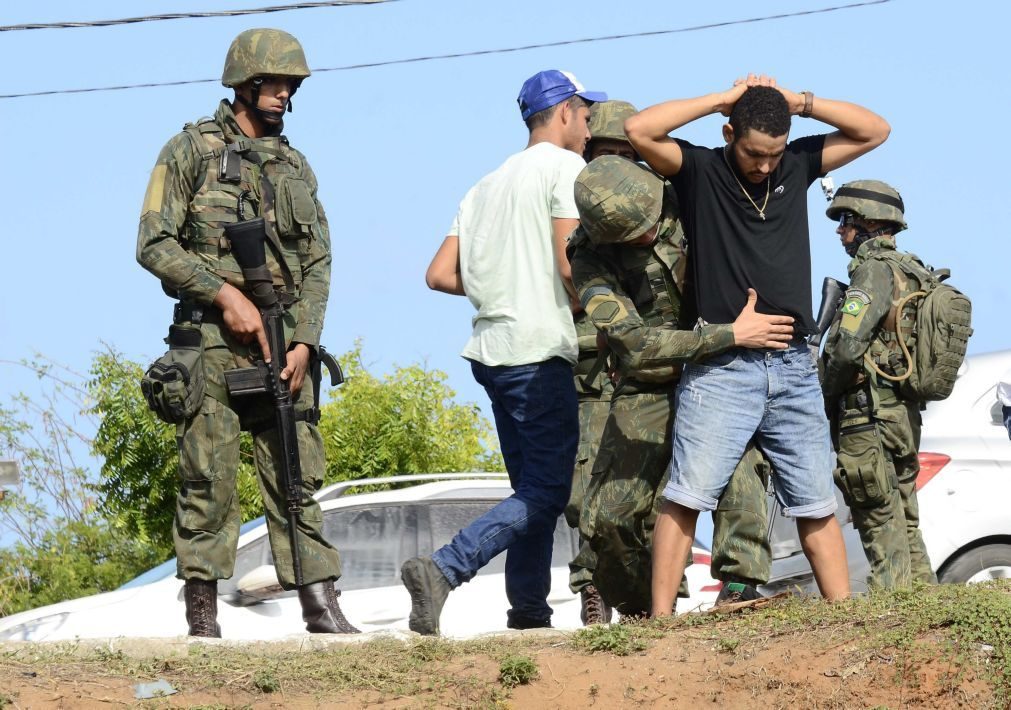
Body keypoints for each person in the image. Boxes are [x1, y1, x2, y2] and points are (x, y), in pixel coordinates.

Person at [626, 75, 891, 615]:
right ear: (728, 133)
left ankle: (842, 619)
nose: (765, 166)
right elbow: (639, 129)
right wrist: (721, 98)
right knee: (687, 495)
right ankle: (658, 627)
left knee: (815, 499)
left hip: (794, 367)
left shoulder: (797, 163)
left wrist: (800, 103)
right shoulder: (701, 170)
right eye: (754, 153)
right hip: (724, 365)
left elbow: (875, 129)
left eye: (773, 154)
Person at [136, 29, 357, 636]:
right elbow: (152, 243)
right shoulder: (189, 151)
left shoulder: (295, 165)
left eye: (292, 84)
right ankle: (203, 619)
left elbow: (318, 262)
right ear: (244, 83)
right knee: (208, 476)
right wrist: (224, 294)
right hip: (210, 339)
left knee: (297, 470)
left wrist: (305, 340)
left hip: (283, 340)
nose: (285, 93)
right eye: (275, 82)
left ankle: (321, 606)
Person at [406, 70, 606, 635]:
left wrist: (504, 283)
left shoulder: (484, 185)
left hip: (492, 354)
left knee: (532, 491)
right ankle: (444, 569)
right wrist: (599, 315)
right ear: (564, 112)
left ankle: (529, 612)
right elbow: (570, 266)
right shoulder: (566, 169)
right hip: (538, 349)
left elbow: (440, 274)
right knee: (549, 490)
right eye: (587, 116)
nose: (590, 129)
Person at [570, 156, 779, 616]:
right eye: (632, 238)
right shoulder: (587, 253)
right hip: (650, 382)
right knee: (607, 520)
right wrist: (728, 335)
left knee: (740, 473)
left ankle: (739, 590)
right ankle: (645, 611)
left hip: (723, 373)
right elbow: (633, 344)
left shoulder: (687, 193)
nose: (646, 239)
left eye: (649, 227)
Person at [821, 181, 937, 588]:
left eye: (846, 221)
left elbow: (849, 346)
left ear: (870, 223)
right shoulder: (913, 270)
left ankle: (896, 612)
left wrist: (824, 392)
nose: (840, 231)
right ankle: (925, 611)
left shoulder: (872, 272)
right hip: (901, 414)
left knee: (878, 520)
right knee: (905, 519)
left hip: (866, 416)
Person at [565, 100, 636, 625]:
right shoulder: (584, 229)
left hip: (652, 366)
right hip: (591, 368)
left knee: (652, 482)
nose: (613, 164)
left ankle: (656, 589)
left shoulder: (664, 211)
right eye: (604, 154)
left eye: (624, 154)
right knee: (586, 485)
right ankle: (593, 589)